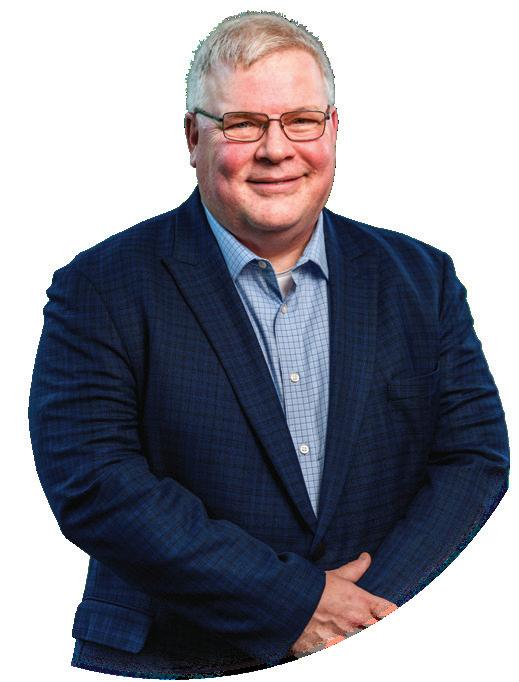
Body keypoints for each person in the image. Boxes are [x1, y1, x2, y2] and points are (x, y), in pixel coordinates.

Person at [28, 11, 509, 679]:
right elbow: (95, 484)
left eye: (301, 120)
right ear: (192, 136)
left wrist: (367, 617)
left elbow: (473, 458)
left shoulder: (420, 278)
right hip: (176, 659)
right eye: (243, 124)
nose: (276, 149)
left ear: (333, 129)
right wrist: (295, 603)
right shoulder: (100, 286)